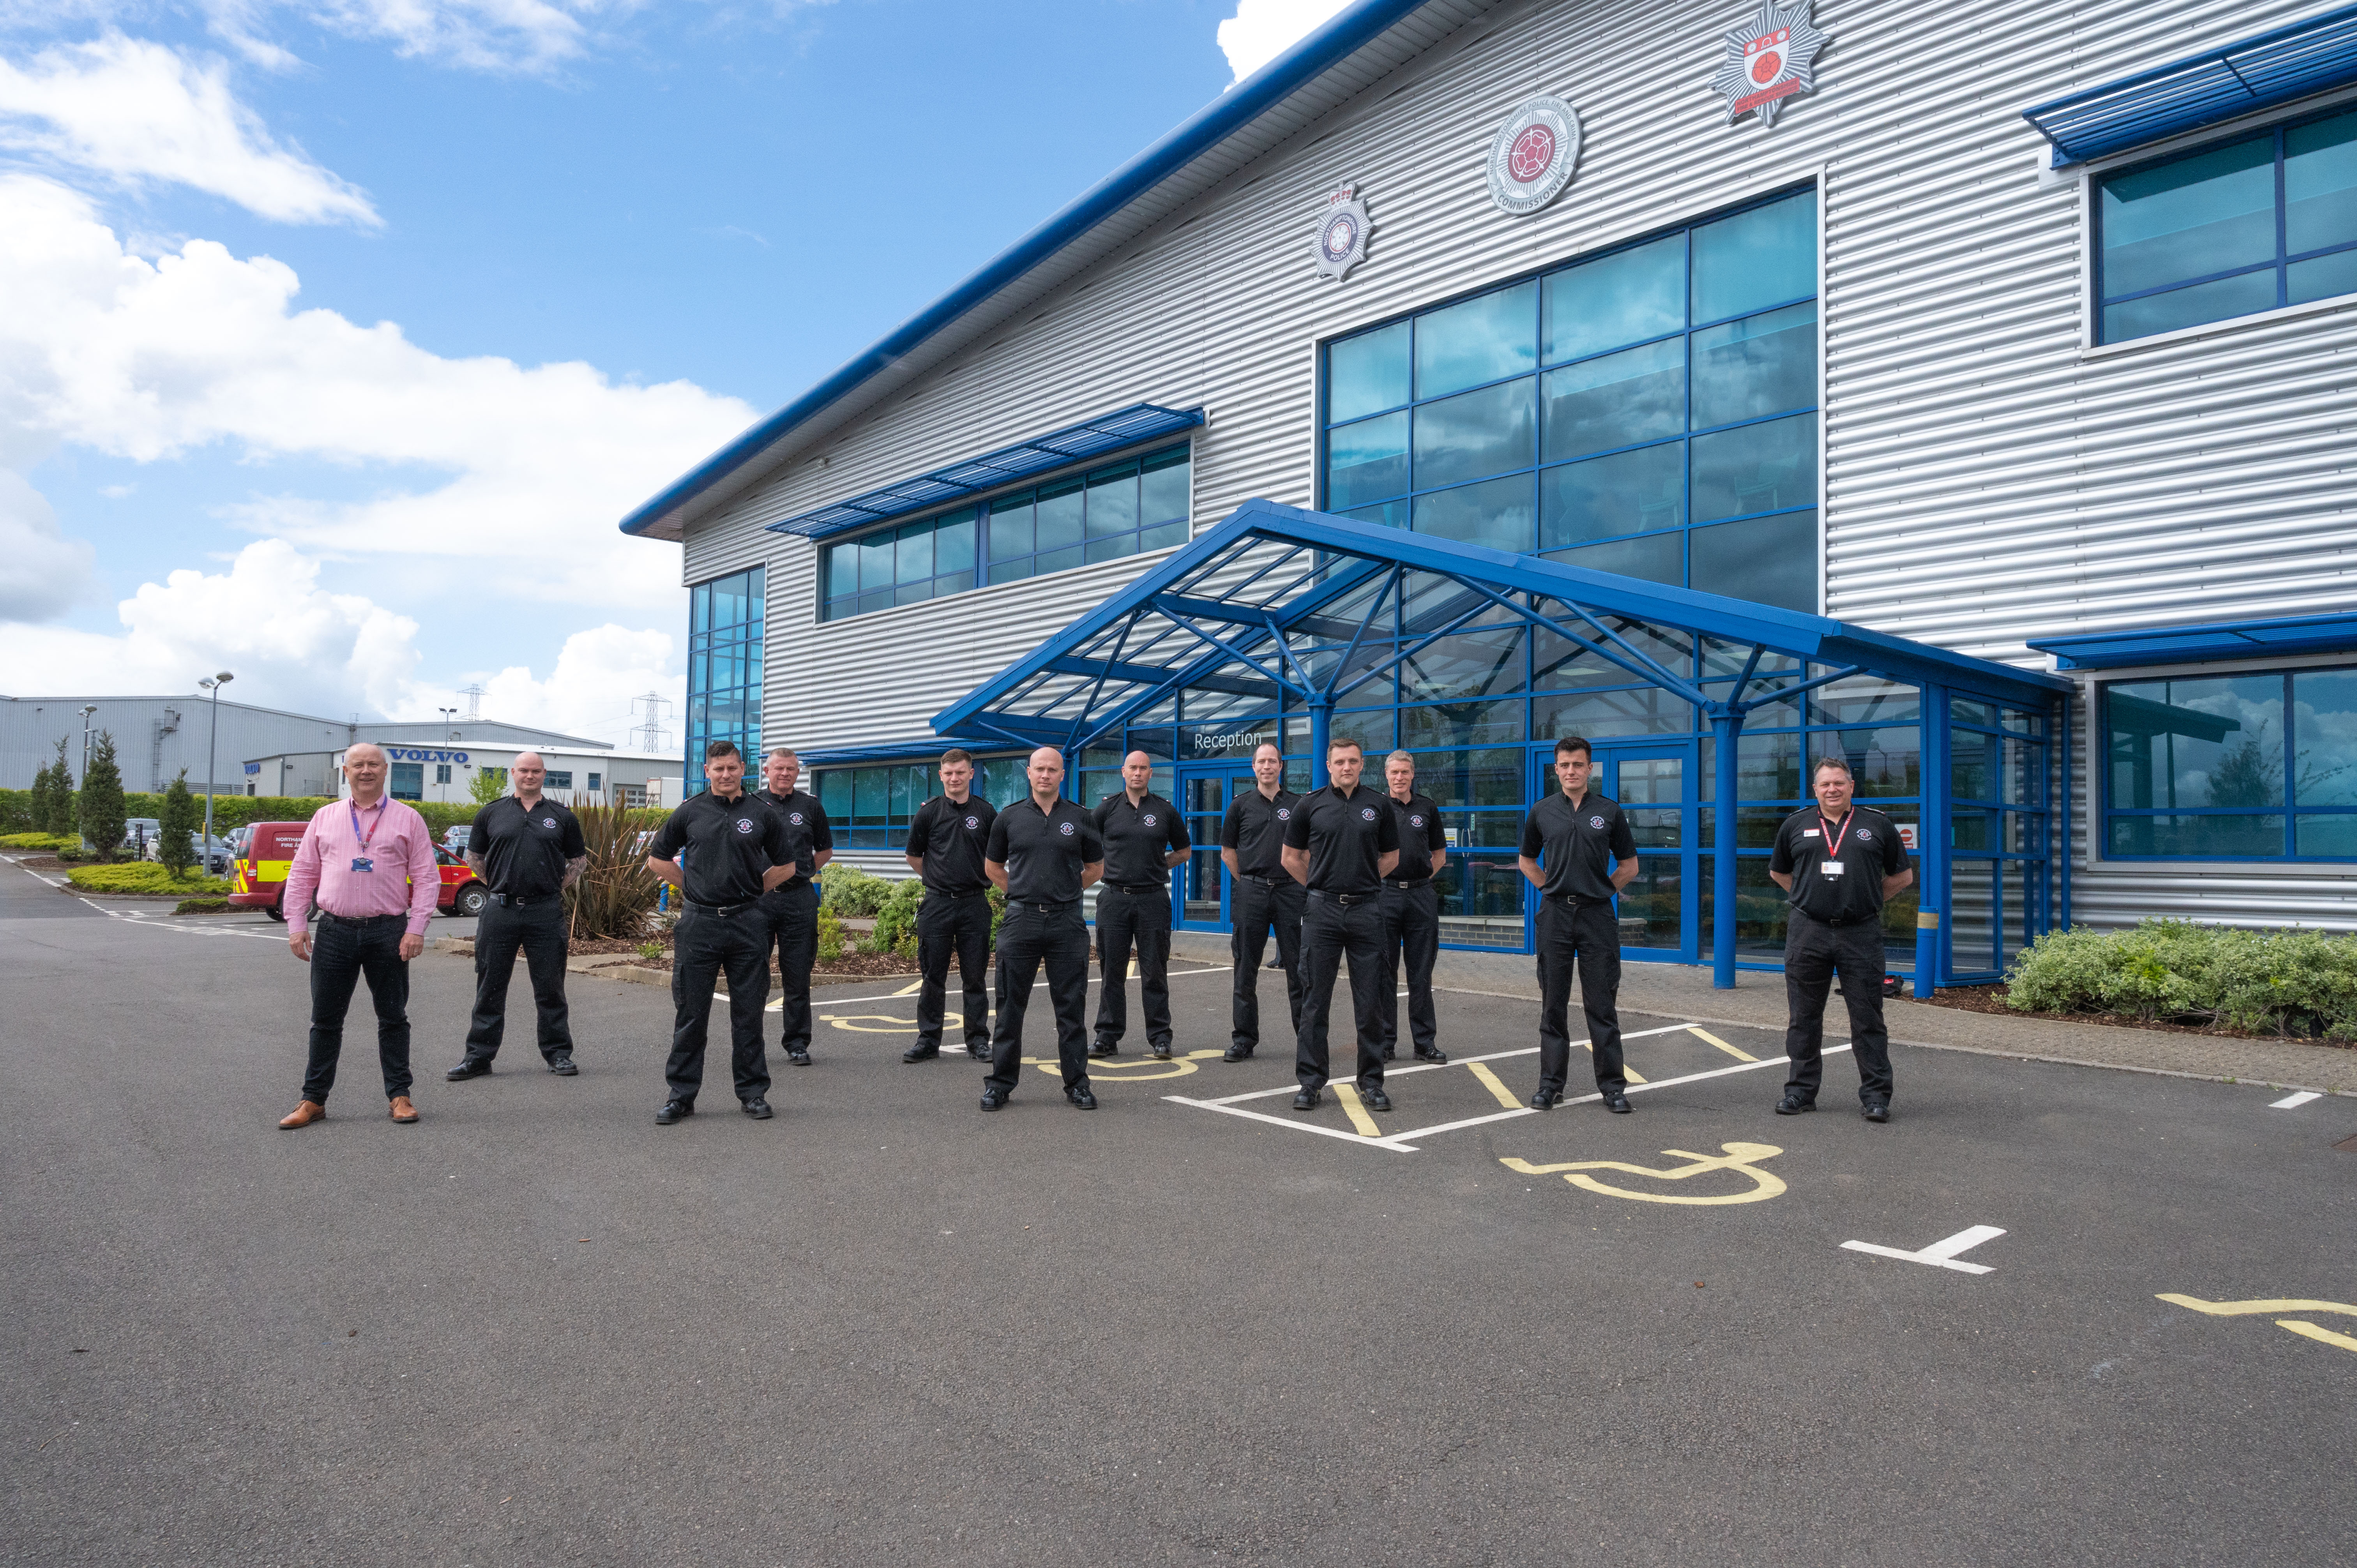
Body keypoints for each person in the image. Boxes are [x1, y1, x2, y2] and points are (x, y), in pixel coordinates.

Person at [276, 742, 441, 1129]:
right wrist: (296, 923)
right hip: (334, 931)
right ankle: (313, 1100)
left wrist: (416, 928)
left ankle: (400, 1096)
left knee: (393, 1017)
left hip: (389, 931)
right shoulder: (325, 817)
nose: (366, 771)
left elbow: (427, 877)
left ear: (386, 771)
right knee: (325, 1020)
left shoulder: (409, 819)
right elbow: (302, 874)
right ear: (345, 772)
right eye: (358, 765)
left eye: (373, 764)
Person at [643, 742, 796, 1125]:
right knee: (691, 1015)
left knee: (748, 1015)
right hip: (699, 925)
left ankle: (753, 1093)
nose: (725, 774)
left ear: (743, 768)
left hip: (748, 924)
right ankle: (681, 1096)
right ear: (707, 770)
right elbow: (657, 860)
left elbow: (788, 866)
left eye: (732, 767)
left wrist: (753, 892)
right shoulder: (689, 811)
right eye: (718, 768)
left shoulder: (762, 814)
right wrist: (691, 889)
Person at [1769, 756, 1913, 1122]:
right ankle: (1800, 1092)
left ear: (1851, 786)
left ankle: (1876, 1098)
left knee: (1867, 1018)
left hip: (1859, 932)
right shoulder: (1795, 825)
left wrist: (1866, 898)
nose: (1832, 789)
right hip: (1808, 932)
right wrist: (1808, 898)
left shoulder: (1877, 824)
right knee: (1803, 1017)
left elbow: (1902, 877)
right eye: (1825, 784)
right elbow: (1779, 872)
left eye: (1839, 783)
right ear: (1815, 789)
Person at [448, 751, 587, 1081]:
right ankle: (479, 1057)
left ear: (544, 774)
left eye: (536, 771)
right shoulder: (491, 813)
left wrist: (552, 887)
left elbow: (578, 862)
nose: (530, 776)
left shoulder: (562, 816)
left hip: (545, 911)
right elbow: (474, 857)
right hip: (500, 910)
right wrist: (498, 885)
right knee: (490, 986)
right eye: (524, 770)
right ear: (514, 773)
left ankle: (558, 1054)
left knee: (551, 987)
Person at [1518, 736, 1639, 1113]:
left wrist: (1601, 893)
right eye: (1565, 765)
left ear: (1590, 768)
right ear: (1556, 769)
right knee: (1553, 1004)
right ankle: (1551, 1085)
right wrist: (1550, 888)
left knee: (1601, 1005)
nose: (1571, 771)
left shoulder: (1610, 812)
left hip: (1596, 917)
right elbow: (1527, 861)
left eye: (1578, 765)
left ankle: (1613, 1088)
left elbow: (1629, 866)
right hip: (1554, 915)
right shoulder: (1541, 812)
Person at [981, 747, 1104, 1112]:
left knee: (1071, 1009)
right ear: (1029, 774)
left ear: (1062, 775)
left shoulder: (1081, 818)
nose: (1045, 775)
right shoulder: (1008, 818)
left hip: (1067, 921)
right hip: (1021, 921)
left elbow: (1096, 868)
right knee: (1009, 1009)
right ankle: (1000, 1084)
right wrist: (1021, 893)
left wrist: (1064, 892)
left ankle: (1077, 1085)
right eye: (1039, 769)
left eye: (1053, 770)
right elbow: (993, 867)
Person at [1281, 737, 1399, 1113]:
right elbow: (1290, 858)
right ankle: (1311, 1083)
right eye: (1339, 762)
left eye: (1353, 761)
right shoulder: (1309, 805)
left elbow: (1391, 857)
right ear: (1328, 765)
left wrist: (1363, 882)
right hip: (1323, 914)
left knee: (1371, 1003)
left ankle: (1372, 1082)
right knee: (1315, 1002)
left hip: (1367, 912)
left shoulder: (1378, 805)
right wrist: (1319, 887)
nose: (1346, 767)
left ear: (1362, 765)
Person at [1090, 751, 1189, 1061]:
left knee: (1155, 971)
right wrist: (1106, 868)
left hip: (1153, 900)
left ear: (1151, 773)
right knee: (1111, 973)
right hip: (1114, 899)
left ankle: (1160, 1037)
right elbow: (1085, 849)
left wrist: (1160, 865)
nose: (1137, 773)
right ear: (1123, 772)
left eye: (1143, 768)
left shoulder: (1165, 811)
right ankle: (1107, 1037)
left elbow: (1184, 851)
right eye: (1132, 768)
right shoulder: (1105, 810)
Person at [903, 749, 998, 1063]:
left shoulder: (986, 812)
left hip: (975, 904)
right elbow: (914, 857)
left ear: (972, 774)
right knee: (933, 977)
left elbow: (997, 857)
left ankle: (978, 1041)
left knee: (975, 977)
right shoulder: (928, 813)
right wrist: (937, 879)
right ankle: (928, 1040)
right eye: (949, 773)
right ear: (941, 775)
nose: (955, 778)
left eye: (961, 773)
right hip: (937, 905)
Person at [1219, 743, 1303, 1063]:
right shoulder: (1240, 806)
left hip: (1290, 892)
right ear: (1253, 767)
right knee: (1245, 969)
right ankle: (1243, 1039)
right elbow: (1228, 853)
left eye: (1272, 761)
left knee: (1299, 968)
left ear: (1281, 766)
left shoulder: (1298, 805)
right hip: (1251, 891)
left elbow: (1306, 853)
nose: (1267, 766)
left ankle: (1305, 1036)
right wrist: (1248, 882)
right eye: (1261, 762)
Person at [755, 747, 834, 1067]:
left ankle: (797, 1043)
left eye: (791, 769)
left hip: (799, 899)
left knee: (798, 975)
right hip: (758, 899)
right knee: (752, 974)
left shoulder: (811, 806)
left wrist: (800, 871)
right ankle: (751, 1044)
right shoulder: (751, 804)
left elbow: (825, 850)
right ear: (767, 771)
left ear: (797, 772)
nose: (785, 773)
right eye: (779, 768)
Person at [1377, 749, 1449, 1066]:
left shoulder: (1427, 808)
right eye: (1394, 772)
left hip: (1421, 897)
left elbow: (1440, 855)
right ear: (1386, 775)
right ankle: (1385, 1043)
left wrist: (1419, 878)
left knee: (1421, 974)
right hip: (1385, 896)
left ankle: (1425, 1043)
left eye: (1405, 772)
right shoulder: (1376, 808)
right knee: (1384, 973)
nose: (1400, 778)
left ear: (1413, 774)